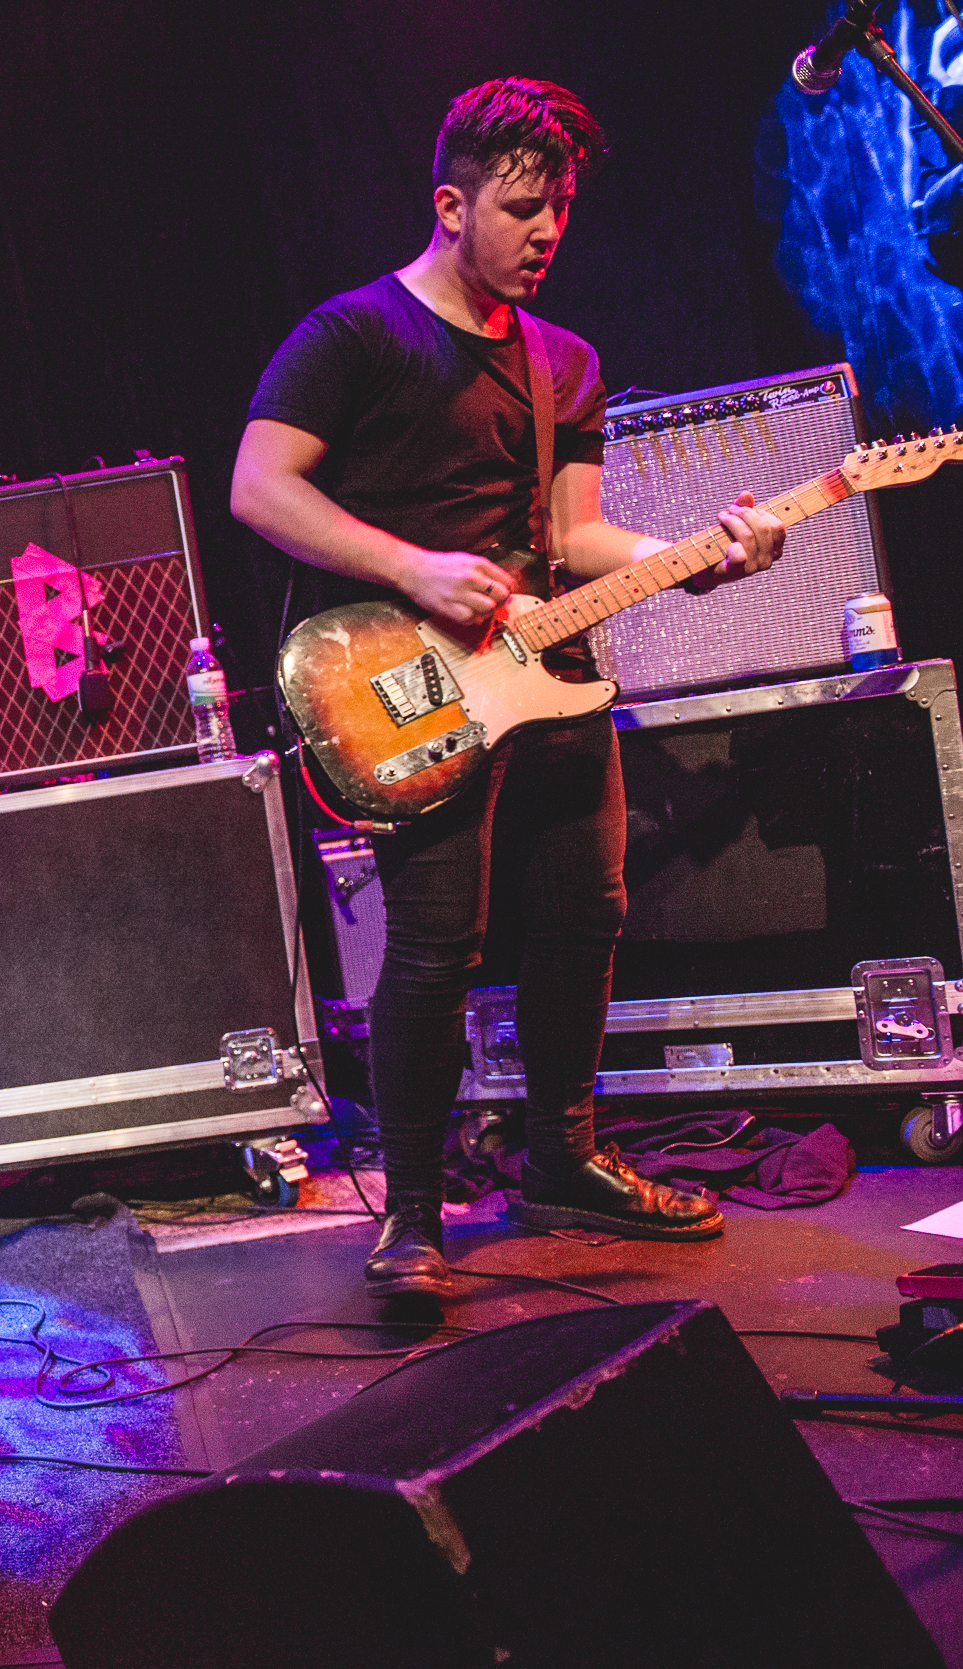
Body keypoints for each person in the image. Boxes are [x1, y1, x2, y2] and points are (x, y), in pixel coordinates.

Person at [229, 78, 788, 1303]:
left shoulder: (565, 363)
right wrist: (411, 566)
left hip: (555, 683)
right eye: (523, 207)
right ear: (450, 202)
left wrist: (697, 557)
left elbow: (574, 534)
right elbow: (260, 489)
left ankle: (564, 1158)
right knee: (436, 946)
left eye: (561, 210)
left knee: (584, 916)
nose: (547, 233)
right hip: (412, 688)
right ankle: (414, 1214)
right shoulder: (352, 337)